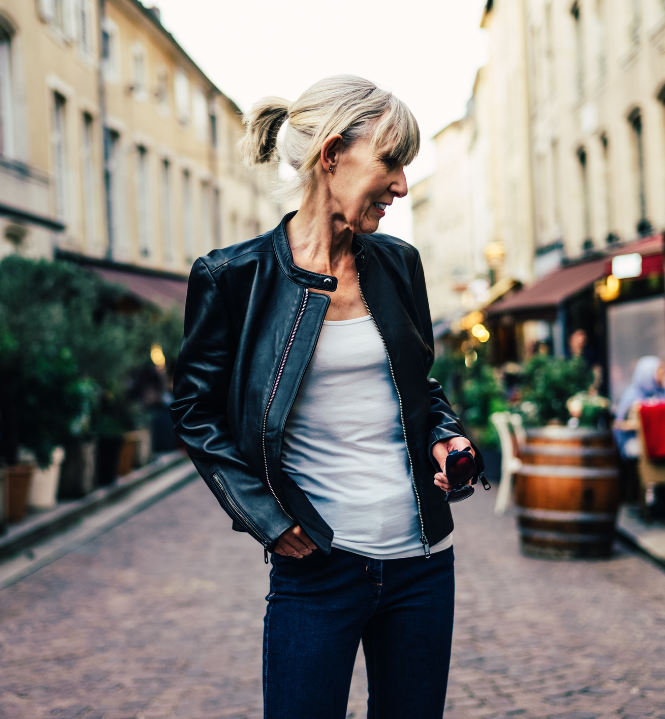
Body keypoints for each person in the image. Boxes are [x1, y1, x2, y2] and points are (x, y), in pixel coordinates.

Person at [170, 75, 476, 719]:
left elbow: (419, 385)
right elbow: (195, 414)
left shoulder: (398, 264)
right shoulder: (234, 279)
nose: (402, 186)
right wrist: (268, 520)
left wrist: (444, 434)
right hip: (318, 570)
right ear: (332, 154)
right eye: (391, 163)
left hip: (422, 564)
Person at [613, 355, 665, 459]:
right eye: (659, 371)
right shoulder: (632, 395)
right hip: (635, 438)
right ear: (648, 373)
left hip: (662, 438)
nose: (663, 374)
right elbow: (622, 424)